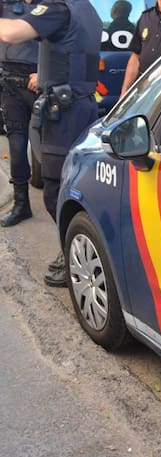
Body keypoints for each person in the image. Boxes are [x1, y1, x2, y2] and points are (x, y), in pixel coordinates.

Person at [0, 0, 102, 287]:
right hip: (80, 105)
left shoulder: (59, 7)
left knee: (56, 190)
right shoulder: (88, 10)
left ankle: (77, 254)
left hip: (65, 113)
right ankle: (80, 249)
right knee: (75, 186)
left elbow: (11, 33)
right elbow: (71, 56)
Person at [0, 0, 39, 228]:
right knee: (16, 146)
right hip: (10, 84)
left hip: (39, 82)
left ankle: (61, 202)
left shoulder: (51, 6)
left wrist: (45, 73)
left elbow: (64, 43)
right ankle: (21, 203)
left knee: (50, 149)